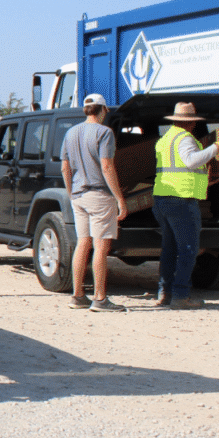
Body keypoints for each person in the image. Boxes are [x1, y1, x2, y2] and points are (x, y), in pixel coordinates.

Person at [150, 101, 219, 309]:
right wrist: (216, 147)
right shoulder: (185, 138)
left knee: (169, 248)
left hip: (162, 198)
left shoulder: (165, 139)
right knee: (188, 249)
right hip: (181, 200)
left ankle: (165, 293)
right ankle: (180, 296)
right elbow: (191, 161)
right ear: (192, 122)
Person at [60, 93, 129, 312]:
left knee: (82, 244)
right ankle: (100, 299)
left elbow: (65, 167)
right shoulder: (105, 132)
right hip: (99, 194)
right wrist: (120, 199)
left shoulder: (71, 133)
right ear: (103, 110)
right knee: (100, 247)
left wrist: (72, 193)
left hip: (79, 195)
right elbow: (107, 166)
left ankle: (77, 295)